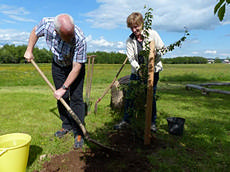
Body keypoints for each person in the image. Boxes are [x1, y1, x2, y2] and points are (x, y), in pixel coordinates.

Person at [24, 14, 87, 149]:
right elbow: (35, 31)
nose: (71, 38)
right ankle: (66, 126)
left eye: (71, 35)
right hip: (58, 65)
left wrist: (64, 87)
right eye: (67, 36)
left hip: (74, 67)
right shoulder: (47, 24)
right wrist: (29, 50)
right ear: (57, 32)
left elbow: (77, 67)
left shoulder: (80, 38)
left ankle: (79, 131)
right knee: (62, 98)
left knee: (76, 98)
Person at [114, 12, 164, 132]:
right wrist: (140, 70)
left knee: (150, 96)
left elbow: (162, 48)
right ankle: (126, 120)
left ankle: (152, 123)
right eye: (131, 27)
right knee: (130, 96)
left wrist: (155, 57)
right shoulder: (130, 41)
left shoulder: (152, 34)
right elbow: (131, 58)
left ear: (142, 24)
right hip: (136, 73)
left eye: (136, 26)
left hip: (153, 71)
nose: (134, 29)